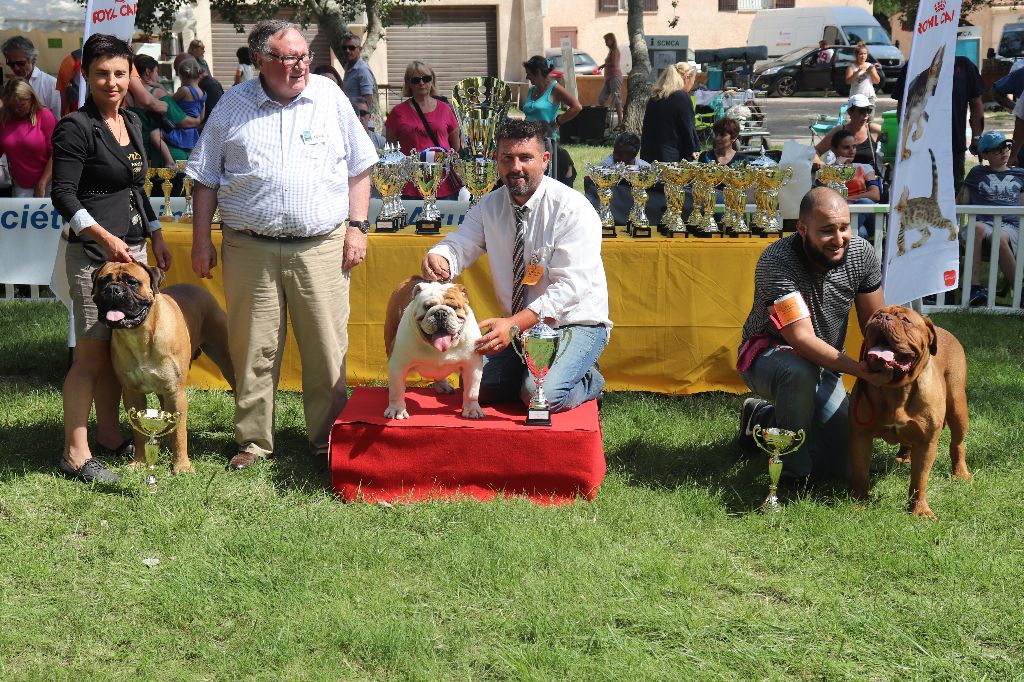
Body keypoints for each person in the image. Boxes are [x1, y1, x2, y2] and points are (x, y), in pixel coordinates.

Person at [186, 19, 377, 471]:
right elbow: (204, 178)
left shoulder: (330, 98)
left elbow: (361, 167)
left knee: (325, 348)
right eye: (288, 58)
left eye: (303, 56)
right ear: (260, 61)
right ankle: (253, 442)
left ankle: (326, 440)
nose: (299, 66)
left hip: (321, 245)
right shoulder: (232, 105)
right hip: (249, 246)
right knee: (253, 347)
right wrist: (200, 241)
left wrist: (357, 227)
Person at [421, 119, 610, 413]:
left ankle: (589, 380)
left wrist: (512, 324)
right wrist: (441, 256)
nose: (516, 167)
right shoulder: (488, 206)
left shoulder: (574, 209)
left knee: (538, 397)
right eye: (507, 158)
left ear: (545, 160)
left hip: (575, 322)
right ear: (497, 160)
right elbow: (461, 243)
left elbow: (570, 289)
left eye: (526, 158)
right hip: (520, 329)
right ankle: (532, 374)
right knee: (474, 388)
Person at [51, 33, 171, 483]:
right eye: (102, 73)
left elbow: (135, 187)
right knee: (91, 356)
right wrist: (103, 236)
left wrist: (155, 234)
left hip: (134, 252)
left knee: (116, 350)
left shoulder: (132, 122)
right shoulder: (75, 127)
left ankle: (108, 436)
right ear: (86, 75)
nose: (112, 82)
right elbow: (60, 193)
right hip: (92, 257)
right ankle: (76, 454)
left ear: (130, 75)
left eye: (120, 73)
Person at [736, 187, 890, 488]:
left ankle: (764, 420)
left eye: (844, 227)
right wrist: (857, 370)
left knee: (842, 465)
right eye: (827, 231)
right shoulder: (776, 262)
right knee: (798, 371)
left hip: (826, 363)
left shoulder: (861, 254)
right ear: (803, 229)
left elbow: (875, 324)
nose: (839, 239)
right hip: (768, 356)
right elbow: (800, 338)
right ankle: (793, 475)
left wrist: (883, 365)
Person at [894, 55, 983, 191]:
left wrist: (977, 138)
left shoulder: (964, 65)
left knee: (953, 194)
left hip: (954, 146)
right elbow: (902, 108)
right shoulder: (913, 64)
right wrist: (906, 139)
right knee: (920, 193)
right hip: (919, 146)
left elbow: (976, 105)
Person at [961, 131, 1023, 306]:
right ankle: (974, 288)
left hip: (1010, 226)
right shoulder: (977, 172)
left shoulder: (1020, 174)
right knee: (977, 227)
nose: (1004, 152)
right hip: (982, 224)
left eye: (1006, 147)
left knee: (999, 236)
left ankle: (1018, 291)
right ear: (985, 155)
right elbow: (963, 202)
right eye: (997, 150)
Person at [384, 61, 461, 199]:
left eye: (426, 78)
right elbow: (390, 149)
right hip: (410, 184)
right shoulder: (397, 112)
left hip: (443, 183)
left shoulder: (445, 109)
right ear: (409, 83)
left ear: (432, 81)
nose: (422, 83)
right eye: (416, 80)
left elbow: (455, 145)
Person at [128, 54, 200, 167]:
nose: (157, 76)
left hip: (137, 154)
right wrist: (198, 120)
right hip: (161, 156)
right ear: (148, 72)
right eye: (156, 72)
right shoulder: (156, 94)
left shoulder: (126, 94)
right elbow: (183, 121)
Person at [522, 55, 582, 187]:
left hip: (545, 141)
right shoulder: (531, 91)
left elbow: (576, 107)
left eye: (528, 74)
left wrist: (556, 123)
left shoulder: (554, 88)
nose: (527, 77)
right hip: (527, 139)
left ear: (537, 72)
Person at [583, 131, 652, 226]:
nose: (615, 156)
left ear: (633, 154)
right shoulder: (606, 167)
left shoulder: (645, 168)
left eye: (620, 153)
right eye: (614, 151)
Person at [0, 78, 56, 197]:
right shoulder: (4, 119)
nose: (16, 110)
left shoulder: (44, 116)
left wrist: (42, 183)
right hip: (21, 184)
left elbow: (56, 153)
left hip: (48, 181)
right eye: (12, 106)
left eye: (21, 105)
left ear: (31, 98)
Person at [822, 129, 881, 240]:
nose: (852, 151)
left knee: (866, 202)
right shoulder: (828, 171)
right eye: (846, 147)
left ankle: (841, 233)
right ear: (834, 149)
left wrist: (848, 199)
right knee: (861, 233)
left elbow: (875, 195)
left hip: (867, 215)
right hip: (840, 216)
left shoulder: (865, 167)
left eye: (854, 147)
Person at [639, 61, 699, 164]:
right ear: (686, 78)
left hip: (648, 156)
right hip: (671, 158)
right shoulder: (682, 97)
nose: (692, 85)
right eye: (693, 80)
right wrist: (693, 148)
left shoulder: (655, 98)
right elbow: (688, 127)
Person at [814, 94, 882, 172]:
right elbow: (816, 151)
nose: (866, 115)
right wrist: (817, 162)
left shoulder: (874, 129)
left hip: (870, 178)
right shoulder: (839, 131)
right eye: (862, 111)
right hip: (843, 177)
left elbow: (894, 148)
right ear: (850, 112)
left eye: (868, 110)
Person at [2, 36, 61, 120]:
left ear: (32, 59)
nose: (15, 68)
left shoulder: (51, 84)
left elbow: (58, 118)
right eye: (11, 64)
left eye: (20, 63)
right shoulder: (8, 86)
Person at [163, 57, 206, 153]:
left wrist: (161, 90)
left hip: (180, 130)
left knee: (156, 135)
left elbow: (170, 102)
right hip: (192, 133)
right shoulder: (203, 93)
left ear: (183, 76)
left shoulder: (185, 90)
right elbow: (202, 117)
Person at [341, 33, 376, 112]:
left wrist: (362, 118)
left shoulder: (363, 70)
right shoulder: (348, 67)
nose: (347, 50)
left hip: (359, 118)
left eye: (351, 48)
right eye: (344, 48)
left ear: (359, 49)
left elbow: (368, 100)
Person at [597, 33, 623, 130]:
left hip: (615, 77)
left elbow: (614, 63)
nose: (605, 43)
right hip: (608, 78)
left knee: (616, 99)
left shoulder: (615, 51)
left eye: (606, 40)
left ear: (611, 40)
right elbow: (609, 62)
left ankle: (620, 123)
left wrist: (606, 65)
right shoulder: (611, 51)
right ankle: (607, 120)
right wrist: (602, 66)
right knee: (601, 99)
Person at [56, 48, 83, 116]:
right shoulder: (111, 58)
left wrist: (63, 117)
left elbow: (64, 98)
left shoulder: (69, 60)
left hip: (74, 117)